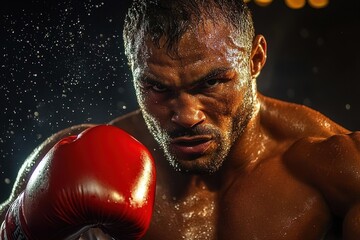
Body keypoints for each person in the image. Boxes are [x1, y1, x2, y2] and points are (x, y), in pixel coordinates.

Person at [1, 0, 360, 239]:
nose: (186, 116)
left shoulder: (330, 163)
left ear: (255, 60)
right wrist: (18, 227)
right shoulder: (75, 155)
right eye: (157, 87)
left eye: (211, 83)